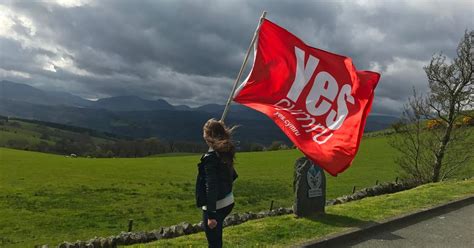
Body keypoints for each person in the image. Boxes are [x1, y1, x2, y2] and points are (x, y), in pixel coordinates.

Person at [195, 118, 238, 248]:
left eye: (204, 132)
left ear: (208, 135)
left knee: (214, 243)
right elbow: (233, 175)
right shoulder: (225, 151)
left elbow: (211, 186)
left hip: (216, 206)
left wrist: (211, 215)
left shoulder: (211, 158)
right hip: (228, 201)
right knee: (216, 239)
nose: (203, 135)